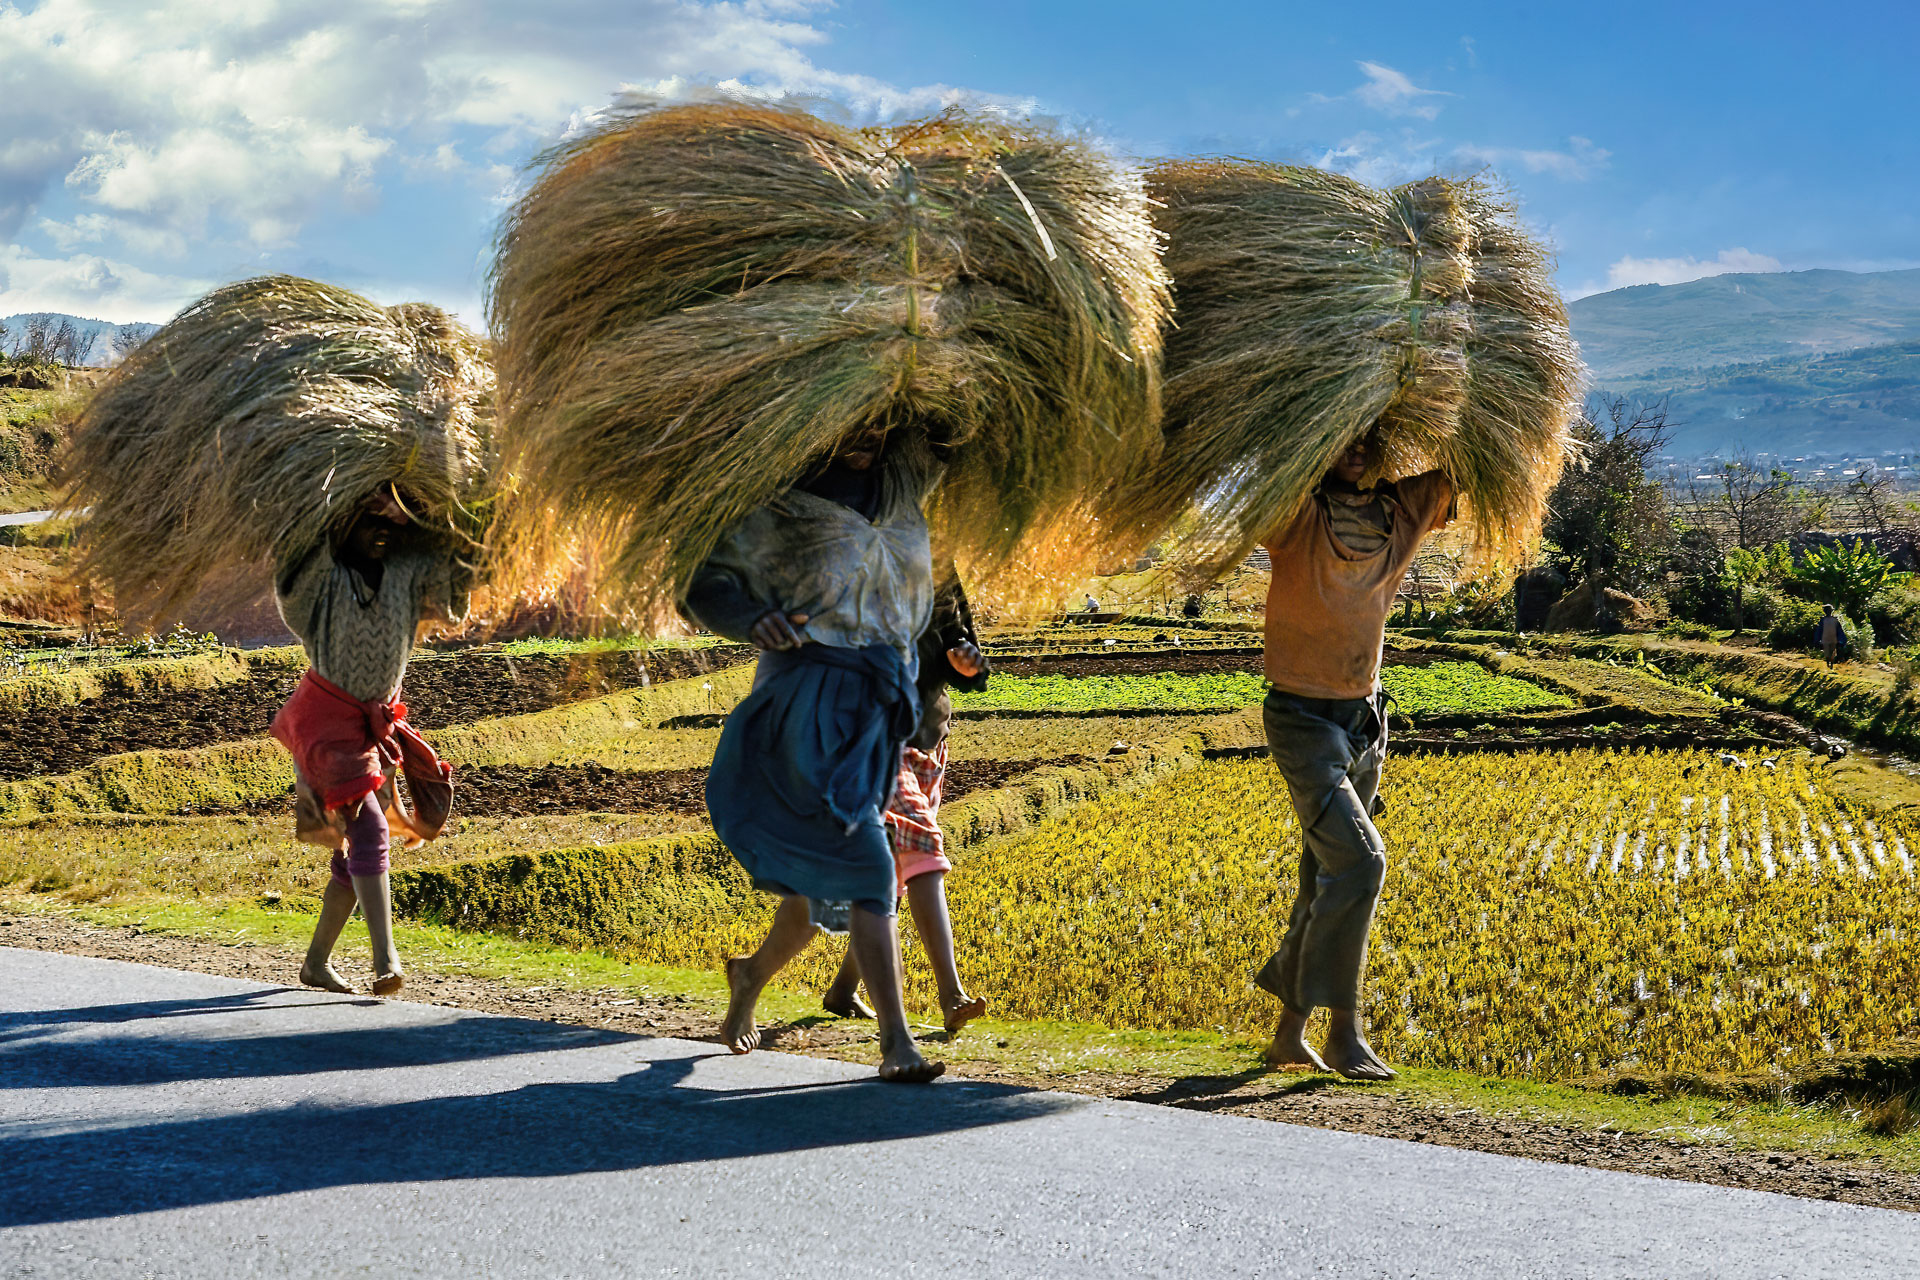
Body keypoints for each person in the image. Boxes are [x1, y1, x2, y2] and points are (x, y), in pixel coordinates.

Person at [684, 424, 947, 1083]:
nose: (869, 436)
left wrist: (954, 665)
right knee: (865, 859)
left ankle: (749, 977)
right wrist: (751, 619)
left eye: (882, 421)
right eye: (852, 424)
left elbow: (936, 585)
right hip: (808, 700)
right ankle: (897, 1043)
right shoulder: (779, 503)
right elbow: (702, 582)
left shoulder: (905, 485)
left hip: (882, 706)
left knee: (815, 885)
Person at [1253, 439, 1455, 1081]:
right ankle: (1344, 1030)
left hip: (1366, 720)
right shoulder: (1298, 515)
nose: (1359, 450)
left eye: (1373, 436)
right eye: (1345, 435)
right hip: (1302, 719)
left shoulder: (1401, 515)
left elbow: (1465, 463)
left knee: (1324, 878)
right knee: (1362, 864)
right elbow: (1263, 474)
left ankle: (1289, 1035)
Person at [272, 486, 467, 997]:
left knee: (353, 851)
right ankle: (386, 957)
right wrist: (329, 492)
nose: (381, 529)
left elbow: (454, 594)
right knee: (370, 828)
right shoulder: (324, 583)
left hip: (371, 726)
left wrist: (461, 522)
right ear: (341, 529)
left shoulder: (407, 573)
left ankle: (316, 963)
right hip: (326, 722)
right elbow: (295, 559)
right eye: (367, 521)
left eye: (389, 522)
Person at [820, 577, 991, 1038]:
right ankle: (951, 994)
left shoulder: (940, 564)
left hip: (930, 738)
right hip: (873, 738)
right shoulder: (856, 561)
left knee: (892, 874)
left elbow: (961, 641)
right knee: (922, 847)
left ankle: (840, 990)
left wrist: (969, 663)